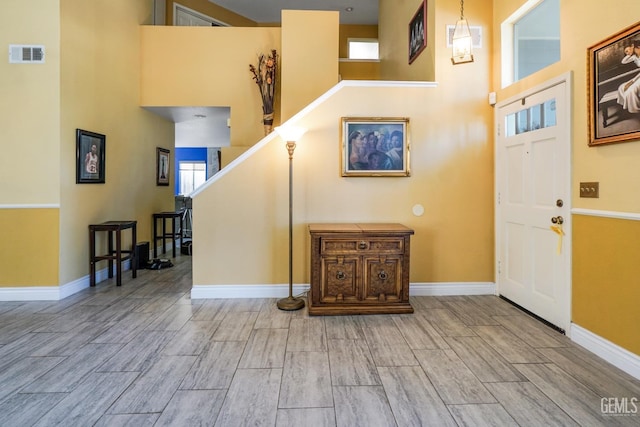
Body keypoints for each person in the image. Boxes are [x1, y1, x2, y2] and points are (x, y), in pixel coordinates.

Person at [616, 39, 640, 113]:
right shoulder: (634, 57)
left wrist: (632, 82)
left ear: (633, 46)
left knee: (631, 90)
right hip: (639, 76)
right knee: (621, 87)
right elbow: (623, 61)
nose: (627, 53)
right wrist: (629, 53)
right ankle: (628, 106)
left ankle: (636, 109)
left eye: (627, 51)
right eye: (626, 52)